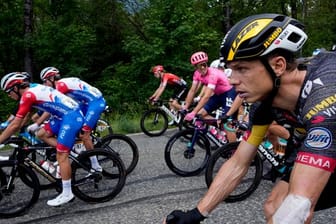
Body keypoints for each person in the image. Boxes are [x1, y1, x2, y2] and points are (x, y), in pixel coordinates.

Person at [164, 13, 336, 224]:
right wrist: (196, 214)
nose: (232, 80)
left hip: (328, 130)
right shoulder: (263, 105)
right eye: (230, 69)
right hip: (317, 143)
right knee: (275, 206)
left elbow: (299, 206)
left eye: (242, 69)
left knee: (294, 209)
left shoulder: (325, 92)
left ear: (278, 65)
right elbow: (239, 161)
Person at [0, 72, 84, 206]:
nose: (9, 95)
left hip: (70, 117)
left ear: (16, 87)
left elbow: (16, 124)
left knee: (61, 155)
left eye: (9, 92)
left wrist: (1, 139)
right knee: (41, 134)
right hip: (61, 116)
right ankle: (71, 153)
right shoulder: (31, 89)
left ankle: (67, 193)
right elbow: (20, 122)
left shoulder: (27, 95)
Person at [33, 67, 106, 163]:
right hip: (86, 102)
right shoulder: (62, 83)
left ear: (52, 78)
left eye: (45, 81)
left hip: (95, 103)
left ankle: (95, 166)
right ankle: (75, 148)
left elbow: (54, 107)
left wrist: (38, 122)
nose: (45, 84)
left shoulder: (60, 86)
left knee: (84, 135)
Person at [183, 51, 237, 121]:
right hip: (218, 95)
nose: (202, 67)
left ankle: (223, 126)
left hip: (229, 93)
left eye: (204, 65)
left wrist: (193, 112)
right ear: (195, 67)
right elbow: (192, 90)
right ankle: (216, 129)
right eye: (200, 66)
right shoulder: (196, 74)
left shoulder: (212, 74)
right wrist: (185, 107)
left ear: (207, 64)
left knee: (225, 122)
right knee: (199, 115)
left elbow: (207, 96)